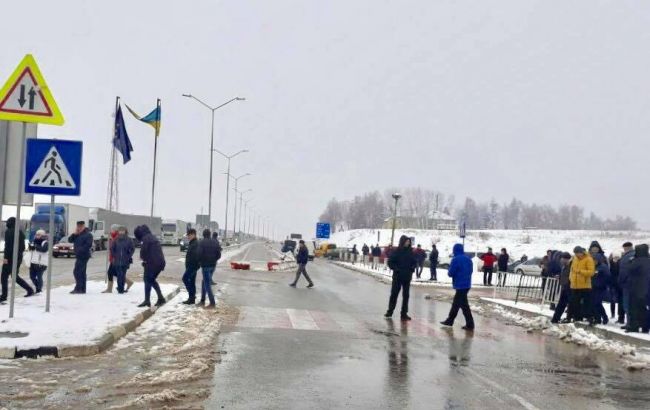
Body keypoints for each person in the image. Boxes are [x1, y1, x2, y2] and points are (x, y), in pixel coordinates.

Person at [441, 243, 475, 330]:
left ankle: (451, 320)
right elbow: (471, 271)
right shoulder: (468, 259)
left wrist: (451, 270)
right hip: (467, 284)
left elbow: (450, 273)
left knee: (457, 304)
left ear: (454, 250)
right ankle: (469, 323)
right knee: (463, 305)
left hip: (460, 285)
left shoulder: (455, 259)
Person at [1, 217, 34, 302]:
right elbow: (23, 247)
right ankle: (29, 290)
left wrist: (6, 258)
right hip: (18, 258)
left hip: (9, 258)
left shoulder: (9, 232)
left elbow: (8, 246)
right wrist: (18, 256)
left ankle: (4, 296)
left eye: (7, 222)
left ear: (10, 223)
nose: (6, 223)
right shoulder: (20, 232)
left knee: (4, 277)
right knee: (14, 276)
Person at [384, 235, 416, 321]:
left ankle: (404, 313)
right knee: (394, 294)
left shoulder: (411, 252)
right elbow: (390, 262)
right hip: (398, 277)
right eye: (406, 241)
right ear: (402, 242)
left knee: (406, 296)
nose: (408, 243)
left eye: (409, 242)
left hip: (407, 277)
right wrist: (396, 269)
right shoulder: (397, 251)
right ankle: (390, 311)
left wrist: (412, 268)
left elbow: (414, 262)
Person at [134, 225, 166, 307]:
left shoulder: (146, 238)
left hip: (153, 263)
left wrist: (143, 259)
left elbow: (143, 251)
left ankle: (147, 300)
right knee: (151, 280)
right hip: (159, 262)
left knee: (147, 279)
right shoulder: (151, 237)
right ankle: (160, 298)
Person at [566, 246, 595, 325]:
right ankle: (576, 317)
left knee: (587, 303)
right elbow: (572, 270)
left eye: (578, 253)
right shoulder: (574, 259)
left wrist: (580, 271)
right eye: (576, 253)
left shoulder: (588, 259)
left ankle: (590, 318)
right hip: (574, 285)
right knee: (574, 303)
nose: (577, 255)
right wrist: (571, 278)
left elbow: (591, 272)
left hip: (585, 285)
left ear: (582, 252)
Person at [626, 244, 650, 333]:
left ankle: (634, 326)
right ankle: (645, 327)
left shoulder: (637, 261)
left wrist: (630, 261)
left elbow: (629, 269)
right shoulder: (648, 260)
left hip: (636, 287)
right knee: (644, 308)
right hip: (647, 288)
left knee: (634, 308)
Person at [68, 221, 93, 294]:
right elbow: (70, 240)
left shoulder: (88, 235)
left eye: (80, 226)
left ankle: (78, 288)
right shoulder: (77, 234)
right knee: (81, 273)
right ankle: (82, 289)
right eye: (78, 226)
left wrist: (79, 250)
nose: (79, 228)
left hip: (84, 255)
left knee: (77, 272)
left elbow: (88, 245)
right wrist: (74, 234)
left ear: (84, 226)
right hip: (79, 255)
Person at [198, 229, 221, 308]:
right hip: (213, 265)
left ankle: (212, 303)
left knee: (207, 283)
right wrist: (214, 260)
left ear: (203, 235)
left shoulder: (201, 243)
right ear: (210, 234)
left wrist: (200, 262)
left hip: (205, 266)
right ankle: (202, 300)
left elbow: (199, 254)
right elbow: (219, 255)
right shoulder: (215, 242)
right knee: (204, 281)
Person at [110, 226, 135, 294]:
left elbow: (133, 249)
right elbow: (112, 248)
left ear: (125, 231)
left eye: (122, 230)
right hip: (117, 261)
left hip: (125, 260)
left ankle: (121, 287)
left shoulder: (129, 240)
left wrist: (128, 255)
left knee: (123, 275)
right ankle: (120, 289)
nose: (121, 232)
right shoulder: (116, 240)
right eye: (120, 231)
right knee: (119, 274)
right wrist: (114, 255)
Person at [552, 252, 573, 323]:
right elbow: (564, 275)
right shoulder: (564, 266)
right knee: (561, 304)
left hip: (569, 287)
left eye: (562, 259)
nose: (561, 260)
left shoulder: (571, 266)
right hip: (564, 287)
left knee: (569, 304)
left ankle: (568, 318)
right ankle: (555, 319)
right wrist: (559, 277)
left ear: (566, 259)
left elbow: (570, 277)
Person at [618, 242, 634, 328]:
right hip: (637, 284)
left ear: (625, 248)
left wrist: (620, 282)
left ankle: (629, 323)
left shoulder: (626, 257)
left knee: (627, 304)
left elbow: (623, 272)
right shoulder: (637, 255)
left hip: (627, 284)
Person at [182, 229, 200, 304]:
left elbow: (195, 256)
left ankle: (192, 296)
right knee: (192, 282)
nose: (188, 237)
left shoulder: (195, 243)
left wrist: (193, 265)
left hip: (192, 266)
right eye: (188, 235)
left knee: (185, 279)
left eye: (189, 235)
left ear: (193, 235)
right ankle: (192, 299)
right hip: (192, 265)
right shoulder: (193, 243)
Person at [591, 254, 611, 325]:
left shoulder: (603, 267)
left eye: (595, 260)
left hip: (601, 288)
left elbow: (607, 277)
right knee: (595, 303)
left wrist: (602, 284)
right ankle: (598, 318)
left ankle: (603, 317)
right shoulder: (594, 267)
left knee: (597, 303)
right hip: (594, 287)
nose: (594, 262)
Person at [102, 225, 119, 293]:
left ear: (115, 230)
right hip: (112, 257)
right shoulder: (113, 236)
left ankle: (109, 289)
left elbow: (116, 247)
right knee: (115, 273)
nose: (110, 230)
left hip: (115, 258)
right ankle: (128, 282)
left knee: (110, 273)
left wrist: (112, 239)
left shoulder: (117, 237)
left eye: (112, 229)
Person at [608, 253, 623, 323]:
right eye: (615, 257)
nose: (616, 259)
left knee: (619, 301)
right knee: (612, 300)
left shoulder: (621, 263)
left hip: (619, 284)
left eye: (617, 257)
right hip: (613, 284)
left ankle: (620, 316)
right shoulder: (611, 263)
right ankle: (613, 313)